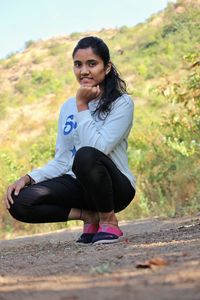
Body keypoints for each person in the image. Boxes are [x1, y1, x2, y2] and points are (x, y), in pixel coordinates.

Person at [4, 36, 136, 244]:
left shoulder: (122, 103)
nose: (84, 71)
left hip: (115, 188)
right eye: (78, 64)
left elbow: (98, 148)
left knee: (86, 155)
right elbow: (63, 160)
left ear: (107, 67)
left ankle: (109, 220)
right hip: (79, 185)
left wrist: (82, 106)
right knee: (19, 201)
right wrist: (28, 178)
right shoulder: (68, 106)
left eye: (92, 64)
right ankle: (90, 217)